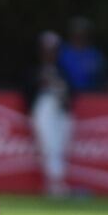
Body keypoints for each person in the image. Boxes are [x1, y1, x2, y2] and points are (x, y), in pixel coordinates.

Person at [28, 31, 73, 196]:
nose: (50, 53)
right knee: (48, 145)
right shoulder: (34, 70)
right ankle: (53, 183)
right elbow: (28, 92)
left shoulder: (62, 70)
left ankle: (58, 183)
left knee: (60, 146)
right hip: (44, 107)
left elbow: (72, 92)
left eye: (53, 49)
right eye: (47, 49)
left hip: (62, 110)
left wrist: (63, 93)